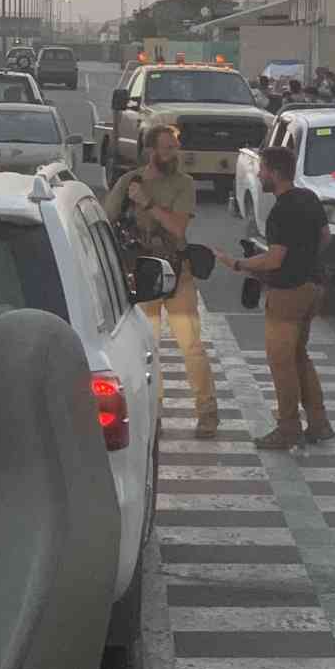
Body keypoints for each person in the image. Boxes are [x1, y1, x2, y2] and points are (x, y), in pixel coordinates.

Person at [105, 122, 219, 438]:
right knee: (147, 348)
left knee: (191, 345)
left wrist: (147, 203)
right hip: (142, 274)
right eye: (167, 148)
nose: (173, 153)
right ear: (151, 151)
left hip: (176, 271)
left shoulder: (183, 184)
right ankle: (153, 414)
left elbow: (177, 229)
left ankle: (207, 412)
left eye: (175, 147)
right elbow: (105, 219)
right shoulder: (130, 181)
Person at [218, 145, 333, 450]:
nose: (259, 174)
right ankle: (319, 423)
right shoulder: (309, 198)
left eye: (263, 169)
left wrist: (239, 264)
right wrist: (307, 261)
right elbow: (325, 237)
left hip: (287, 294)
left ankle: (288, 428)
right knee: (300, 357)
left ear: (275, 172)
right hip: (313, 288)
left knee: (281, 363)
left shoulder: (280, 211)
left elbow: (274, 260)